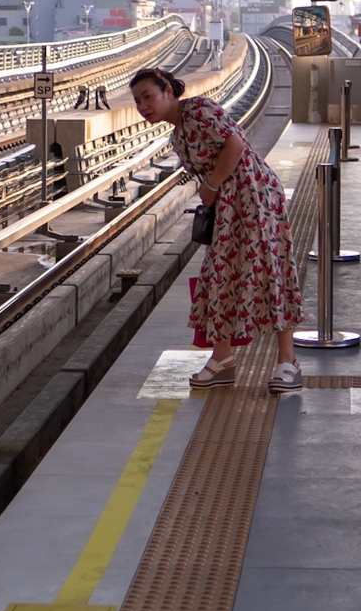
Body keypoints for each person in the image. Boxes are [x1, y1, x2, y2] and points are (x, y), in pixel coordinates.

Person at [129, 67, 307, 392]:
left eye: (148, 97)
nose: (143, 106)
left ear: (168, 90)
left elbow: (235, 144)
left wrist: (211, 184)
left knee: (269, 269)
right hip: (227, 203)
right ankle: (222, 358)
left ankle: (287, 360)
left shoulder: (197, 109)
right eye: (138, 101)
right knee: (218, 274)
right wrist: (214, 192)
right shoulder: (177, 131)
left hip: (253, 194)